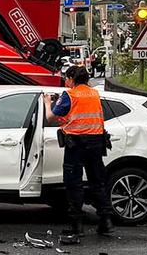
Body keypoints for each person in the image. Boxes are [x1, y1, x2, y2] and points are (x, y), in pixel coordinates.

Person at [44, 67, 113, 236]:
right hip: (97, 142)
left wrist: (47, 103)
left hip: (77, 144)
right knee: (97, 182)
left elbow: (50, 118)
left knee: (74, 183)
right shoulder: (94, 94)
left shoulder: (70, 95)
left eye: (66, 79)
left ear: (71, 79)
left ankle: (77, 226)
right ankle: (106, 221)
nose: (65, 82)